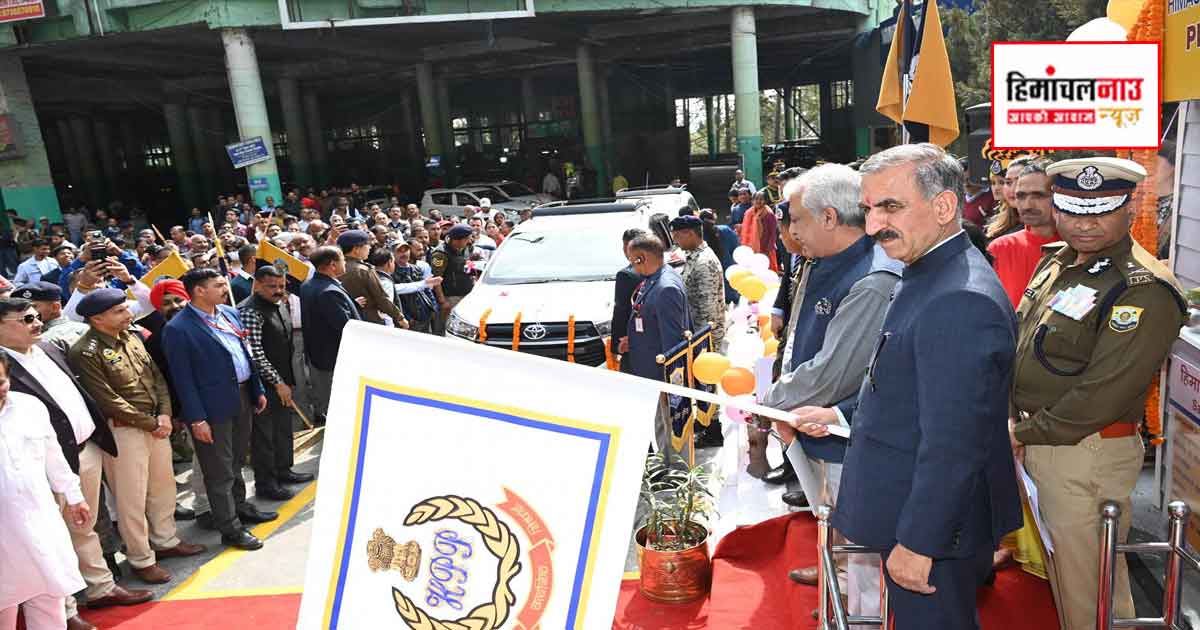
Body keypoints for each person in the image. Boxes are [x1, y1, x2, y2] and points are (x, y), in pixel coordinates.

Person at [833, 144, 1022, 630]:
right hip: (914, 512)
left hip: (931, 532)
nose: (874, 226)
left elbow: (955, 442)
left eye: (890, 207)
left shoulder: (959, 297)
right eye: (869, 209)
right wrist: (838, 417)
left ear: (942, 207)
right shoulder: (929, 271)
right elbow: (904, 387)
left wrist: (920, 543)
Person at [1009, 157, 1188, 630]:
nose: (1085, 223)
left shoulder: (1142, 288)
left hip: (1082, 449)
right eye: (1072, 209)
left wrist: (1022, 432)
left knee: (1088, 589)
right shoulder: (1061, 263)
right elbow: (1025, 347)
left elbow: (1103, 392)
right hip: (1045, 441)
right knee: (1079, 580)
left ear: (1131, 208)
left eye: (1102, 210)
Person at [761, 167, 901, 618]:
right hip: (815, 428)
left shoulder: (870, 278)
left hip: (848, 437)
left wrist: (770, 401)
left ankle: (860, 621)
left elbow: (832, 374)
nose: (791, 229)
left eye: (796, 219)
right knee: (836, 535)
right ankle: (840, 610)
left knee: (861, 553)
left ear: (827, 217)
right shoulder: (822, 262)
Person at [0, 297, 151, 623]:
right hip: (37, 472)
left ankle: (99, 587)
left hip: (85, 450)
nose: (36, 323)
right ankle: (67, 610)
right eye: (26, 319)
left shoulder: (47, 349)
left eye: (36, 316)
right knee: (50, 541)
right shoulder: (6, 371)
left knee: (85, 525)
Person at [69, 289, 205, 585]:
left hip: (157, 423)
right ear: (97, 319)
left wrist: (165, 415)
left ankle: (165, 540)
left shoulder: (132, 337)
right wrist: (149, 422)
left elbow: (155, 376)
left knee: (163, 486)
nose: (127, 313)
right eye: (118, 310)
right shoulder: (86, 351)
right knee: (131, 499)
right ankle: (141, 558)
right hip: (124, 429)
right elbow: (106, 399)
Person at [163, 268, 274, 552]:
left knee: (237, 459)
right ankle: (230, 528)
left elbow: (245, 352)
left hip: (241, 396)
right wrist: (197, 418)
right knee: (219, 470)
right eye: (219, 285)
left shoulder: (228, 313)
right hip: (211, 408)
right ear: (199, 290)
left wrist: (256, 389)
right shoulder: (178, 328)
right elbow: (183, 380)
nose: (226, 289)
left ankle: (241, 507)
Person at [0, 353, 92, 630]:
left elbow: (54, 457)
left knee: (48, 596)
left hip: (38, 519)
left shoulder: (30, 407)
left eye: (0, 381)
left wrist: (74, 496)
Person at [238, 266, 315, 501]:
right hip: (263, 385)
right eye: (272, 286)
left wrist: (288, 381)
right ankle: (266, 484)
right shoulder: (250, 310)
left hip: (283, 379)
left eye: (282, 286)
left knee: (283, 429)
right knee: (265, 437)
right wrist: (277, 381)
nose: (278, 291)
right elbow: (256, 354)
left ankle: (284, 470)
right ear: (258, 285)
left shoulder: (281, 304)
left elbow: (285, 343)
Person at [623, 235, 690, 459]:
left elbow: (673, 342)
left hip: (661, 372)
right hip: (650, 365)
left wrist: (668, 380)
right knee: (662, 422)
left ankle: (676, 471)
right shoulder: (655, 278)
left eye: (633, 260)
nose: (631, 265)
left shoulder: (665, 287)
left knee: (670, 422)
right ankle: (666, 462)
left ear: (642, 258)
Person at [669, 215, 726, 448]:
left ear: (690, 234)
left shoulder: (704, 262)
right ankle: (704, 423)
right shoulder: (694, 256)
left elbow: (708, 307)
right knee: (700, 382)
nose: (676, 242)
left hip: (706, 334)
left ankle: (713, 429)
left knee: (707, 381)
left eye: (678, 236)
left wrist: (703, 341)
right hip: (699, 332)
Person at [300, 246, 361, 421]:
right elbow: (345, 327)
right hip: (333, 357)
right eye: (343, 260)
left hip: (319, 354)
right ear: (333, 265)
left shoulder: (309, 284)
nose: (345, 264)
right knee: (338, 406)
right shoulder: (329, 292)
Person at [987, 159, 1059, 308]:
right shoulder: (1000, 249)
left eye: (1038, 196)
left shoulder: (1082, 248)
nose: (1027, 205)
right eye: (1021, 196)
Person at [337, 230, 408, 328]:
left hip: (345, 320)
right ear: (356, 249)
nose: (370, 248)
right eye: (367, 245)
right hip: (369, 321)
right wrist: (400, 318)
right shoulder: (364, 270)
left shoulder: (335, 267)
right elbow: (381, 298)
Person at [14, 281, 89, 351]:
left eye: (33, 307)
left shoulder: (45, 341)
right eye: (21, 308)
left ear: (55, 307)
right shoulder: (86, 328)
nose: (26, 312)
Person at [431, 225, 475, 335]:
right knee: (443, 329)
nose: (469, 241)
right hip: (449, 297)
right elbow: (436, 279)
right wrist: (442, 301)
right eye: (466, 239)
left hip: (464, 294)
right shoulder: (441, 254)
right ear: (457, 240)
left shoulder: (466, 248)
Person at [739, 191, 780, 271]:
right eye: (756, 199)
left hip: (765, 247)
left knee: (767, 269)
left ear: (765, 201)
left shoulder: (769, 214)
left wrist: (769, 248)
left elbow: (773, 233)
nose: (758, 201)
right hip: (751, 247)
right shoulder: (749, 213)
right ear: (752, 200)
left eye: (761, 199)